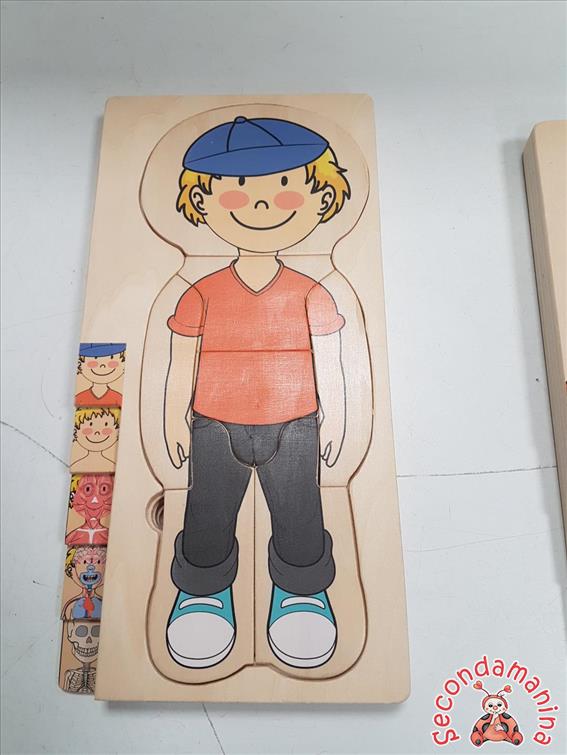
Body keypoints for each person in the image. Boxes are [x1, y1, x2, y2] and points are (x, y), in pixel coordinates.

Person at [164, 116, 350, 669]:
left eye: (285, 186)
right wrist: (172, 418)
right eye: (239, 190)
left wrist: (339, 417)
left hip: (296, 423)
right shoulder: (201, 292)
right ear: (203, 202)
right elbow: (180, 361)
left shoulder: (311, 292)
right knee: (208, 509)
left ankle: (301, 592)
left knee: (299, 511)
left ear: (320, 198)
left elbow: (332, 361)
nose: (261, 205)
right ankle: (201, 592)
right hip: (213, 423)